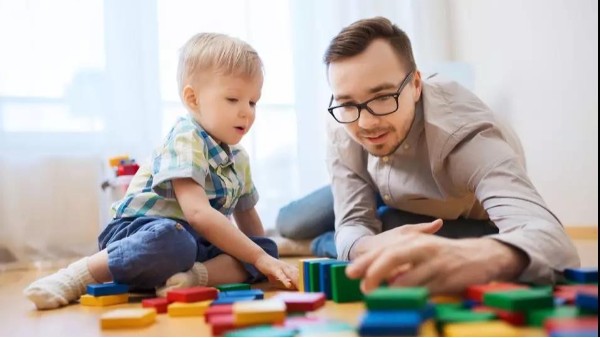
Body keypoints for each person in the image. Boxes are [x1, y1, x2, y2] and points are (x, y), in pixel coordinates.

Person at [280, 16, 580, 295]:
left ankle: (324, 243)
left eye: (383, 97)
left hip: (453, 215)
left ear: (415, 85)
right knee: (291, 223)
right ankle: (325, 239)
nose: (366, 123)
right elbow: (354, 219)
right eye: (347, 102)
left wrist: (485, 257)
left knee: (394, 226)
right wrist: (363, 246)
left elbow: (556, 244)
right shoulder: (341, 120)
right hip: (378, 186)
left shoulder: (467, 136)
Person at [24, 33, 298, 310]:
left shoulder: (238, 158)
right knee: (175, 240)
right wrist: (258, 259)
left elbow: (248, 218)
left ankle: (190, 279)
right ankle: (78, 274)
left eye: (253, 102)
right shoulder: (186, 137)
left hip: (194, 246)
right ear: (193, 99)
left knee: (264, 247)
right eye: (232, 99)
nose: (246, 113)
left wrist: (265, 258)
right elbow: (198, 214)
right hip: (141, 234)